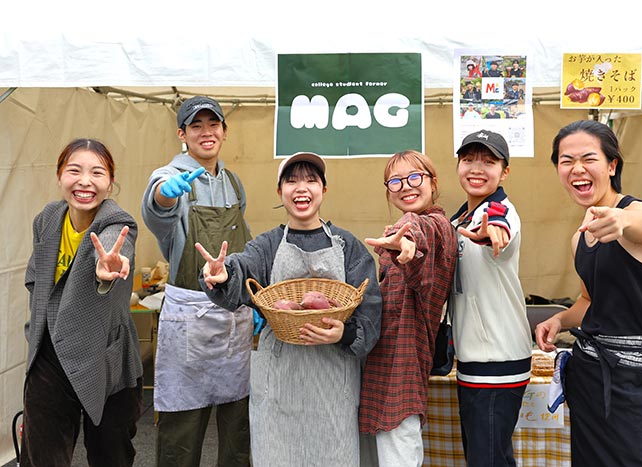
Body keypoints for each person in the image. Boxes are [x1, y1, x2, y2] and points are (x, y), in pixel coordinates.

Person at [196, 152, 382, 467]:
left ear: (324, 189)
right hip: (279, 383)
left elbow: (370, 307)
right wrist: (222, 273)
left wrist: (345, 332)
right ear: (279, 191)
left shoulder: (347, 246)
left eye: (311, 180)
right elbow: (242, 269)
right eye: (292, 181)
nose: (302, 188)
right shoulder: (267, 245)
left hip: (332, 386)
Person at [535, 120, 642, 466]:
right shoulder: (579, 238)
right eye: (565, 160)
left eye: (589, 158)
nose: (577, 169)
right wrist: (559, 319)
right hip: (593, 382)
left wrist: (620, 222)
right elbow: (590, 301)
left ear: (611, 165)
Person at [141, 95, 253, 467]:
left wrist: (253, 297)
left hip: (232, 319)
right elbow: (156, 207)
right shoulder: (171, 175)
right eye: (196, 126)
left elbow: (244, 246)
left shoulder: (234, 183)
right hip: (189, 318)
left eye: (213, 124)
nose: (206, 132)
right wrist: (165, 198)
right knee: (182, 428)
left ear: (223, 130)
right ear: (182, 134)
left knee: (237, 427)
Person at [21, 138, 143, 467]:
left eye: (97, 173)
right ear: (60, 175)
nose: (85, 181)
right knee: (42, 456)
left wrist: (106, 270)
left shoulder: (119, 224)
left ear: (110, 181)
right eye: (74, 170)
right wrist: (35, 332)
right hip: (50, 355)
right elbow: (37, 279)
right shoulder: (47, 218)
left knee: (110, 454)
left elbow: (116, 251)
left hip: (104, 357)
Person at [358, 151, 457, 467]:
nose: (406, 186)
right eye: (396, 181)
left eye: (415, 177)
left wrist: (406, 243)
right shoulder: (395, 235)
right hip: (383, 365)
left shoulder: (436, 225)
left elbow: (416, 232)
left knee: (400, 453)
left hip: (404, 366)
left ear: (433, 182)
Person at [450, 130, 532, 467]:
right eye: (468, 159)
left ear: (505, 171)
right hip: (474, 359)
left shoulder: (500, 210)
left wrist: (491, 233)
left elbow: (498, 230)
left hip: (497, 360)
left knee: (489, 461)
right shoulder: (459, 219)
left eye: (489, 161)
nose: (476, 168)